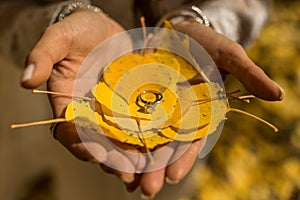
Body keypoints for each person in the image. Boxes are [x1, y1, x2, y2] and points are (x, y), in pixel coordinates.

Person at [2, 0, 284, 199]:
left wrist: (206, 23)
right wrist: (57, 20)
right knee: (84, 181)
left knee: (167, 178)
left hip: (186, 86)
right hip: (79, 82)